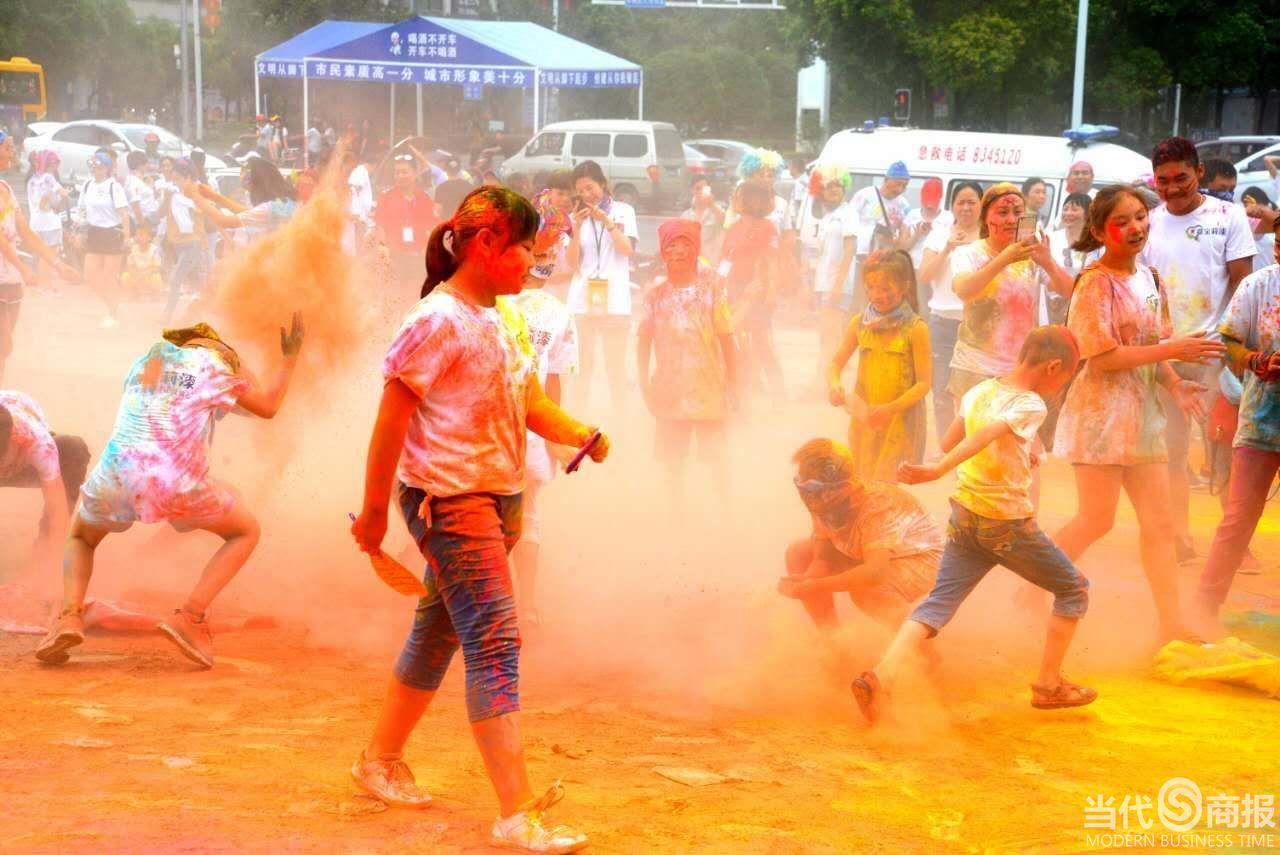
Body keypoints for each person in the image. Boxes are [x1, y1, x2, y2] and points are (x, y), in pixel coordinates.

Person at [348, 186, 605, 853]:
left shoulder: (505, 316)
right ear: (488, 245)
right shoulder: (438, 319)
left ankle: (378, 760)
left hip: (497, 498)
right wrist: (375, 518)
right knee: (495, 636)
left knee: (439, 630)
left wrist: (579, 432)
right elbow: (389, 425)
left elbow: (527, 399)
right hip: (451, 502)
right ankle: (516, 811)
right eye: (525, 247)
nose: (532, 261)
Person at [35, 316, 306, 668]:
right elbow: (267, 407)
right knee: (245, 531)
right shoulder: (215, 369)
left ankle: (69, 615)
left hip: (117, 475)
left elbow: (166, 401)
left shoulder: (147, 362)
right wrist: (289, 359)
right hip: (177, 484)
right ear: (223, 356)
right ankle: (190, 617)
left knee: (81, 539)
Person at [853, 327, 1094, 722]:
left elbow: (954, 440)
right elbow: (983, 437)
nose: (1059, 388)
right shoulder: (1031, 403)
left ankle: (882, 677)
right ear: (1053, 367)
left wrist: (931, 462)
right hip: (1005, 523)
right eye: (1064, 379)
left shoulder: (980, 391)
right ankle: (1049, 684)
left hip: (964, 516)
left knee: (937, 604)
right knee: (1074, 588)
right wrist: (934, 471)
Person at [1051, 186, 1223, 644]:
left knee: (1160, 525)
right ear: (1098, 230)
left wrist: (1172, 380)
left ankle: (1170, 621)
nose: (1136, 228)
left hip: (1143, 419)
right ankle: (1034, 583)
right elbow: (1102, 358)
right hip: (1101, 417)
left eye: (1141, 217)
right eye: (1122, 221)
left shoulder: (1150, 278)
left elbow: (1151, 348)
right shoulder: (1093, 282)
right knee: (1096, 520)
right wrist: (1171, 351)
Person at [1140, 137, 1255, 562]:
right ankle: (1180, 539)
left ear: (1199, 172)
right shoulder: (1147, 222)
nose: (1172, 188)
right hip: (1166, 356)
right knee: (1169, 451)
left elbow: (1242, 286)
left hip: (1213, 356)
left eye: (1181, 178)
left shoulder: (1229, 217)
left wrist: (1231, 351)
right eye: (1163, 181)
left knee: (1224, 448)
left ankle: (1235, 549)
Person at [1194, 219, 1280, 637]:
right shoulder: (1258, 286)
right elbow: (1227, 342)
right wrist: (1255, 362)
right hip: (1261, 422)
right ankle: (1202, 610)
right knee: (1239, 518)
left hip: (1262, 419)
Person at [778, 438, 941, 632]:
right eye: (802, 485)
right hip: (867, 551)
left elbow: (875, 572)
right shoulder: (821, 497)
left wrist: (817, 586)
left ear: (842, 486)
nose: (807, 495)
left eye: (813, 488)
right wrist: (808, 578)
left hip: (917, 558)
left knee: (866, 590)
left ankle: (916, 650)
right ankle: (833, 641)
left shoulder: (875, 505)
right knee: (799, 552)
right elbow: (823, 558)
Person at [636, 219, 736, 504]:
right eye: (671, 244)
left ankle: (726, 510)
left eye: (686, 244)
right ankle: (677, 514)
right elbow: (644, 339)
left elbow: (728, 339)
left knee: (717, 458)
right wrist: (643, 381)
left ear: (696, 250)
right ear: (662, 251)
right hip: (670, 389)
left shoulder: (712, 288)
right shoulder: (655, 294)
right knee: (673, 460)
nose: (678, 251)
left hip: (709, 389)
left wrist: (734, 383)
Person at [508, 227, 579, 626]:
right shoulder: (556, 312)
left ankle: (512, 605)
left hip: (502, 425)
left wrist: (556, 435)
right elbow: (554, 379)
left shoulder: (491, 298)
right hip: (520, 426)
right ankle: (525, 607)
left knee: (493, 513)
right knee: (525, 515)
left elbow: (552, 379)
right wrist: (554, 434)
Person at [947, 183, 1074, 405]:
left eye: (1018, 213)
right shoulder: (968, 253)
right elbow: (964, 289)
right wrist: (1005, 258)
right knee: (972, 436)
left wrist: (1048, 262)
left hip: (1021, 369)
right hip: (974, 367)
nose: (1011, 220)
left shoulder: (1031, 256)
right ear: (985, 217)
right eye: (1002, 213)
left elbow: (1071, 292)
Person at [827, 250, 930, 481]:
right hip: (864, 419)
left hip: (899, 423)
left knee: (886, 486)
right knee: (860, 479)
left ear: (904, 286)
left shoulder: (915, 328)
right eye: (871, 287)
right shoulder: (859, 324)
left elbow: (924, 384)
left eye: (885, 288)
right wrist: (835, 386)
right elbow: (835, 363)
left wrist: (890, 409)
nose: (877, 295)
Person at [565, 160, 638, 409]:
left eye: (590, 187)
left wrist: (607, 222)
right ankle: (578, 423)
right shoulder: (574, 217)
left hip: (615, 300)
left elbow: (627, 250)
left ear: (603, 184)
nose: (586, 194)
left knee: (615, 367)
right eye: (580, 191)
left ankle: (620, 423)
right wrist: (576, 226)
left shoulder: (623, 211)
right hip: (582, 300)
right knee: (581, 367)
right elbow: (573, 262)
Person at [0, 391, 91, 583]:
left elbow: (57, 509)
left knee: (74, 448)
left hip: (24, 466)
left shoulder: (36, 442)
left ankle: (43, 551)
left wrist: (50, 568)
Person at [917, 180, 982, 441]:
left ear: (981, 205)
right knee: (942, 390)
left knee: (975, 392)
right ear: (952, 206)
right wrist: (948, 248)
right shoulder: (939, 234)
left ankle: (971, 448)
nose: (966, 208)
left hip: (978, 324)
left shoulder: (990, 236)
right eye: (961, 202)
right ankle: (946, 446)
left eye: (972, 202)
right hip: (943, 322)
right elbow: (924, 275)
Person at [719, 182, 782, 404]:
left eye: (739, 196)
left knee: (762, 341)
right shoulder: (734, 227)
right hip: (734, 289)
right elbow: (725, 259)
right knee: (739, 339)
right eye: (737, 196)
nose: (735, 200)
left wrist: (771, 293)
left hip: (757, 289)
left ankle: (777, 389)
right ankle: (746, 388)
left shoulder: (768, 227)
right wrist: (719, 284)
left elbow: (771, 261)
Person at [807, 164, 857, 386]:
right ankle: (825, 380)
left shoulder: (849, 213)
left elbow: (850, 250)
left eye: (838, 185)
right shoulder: (828, 216)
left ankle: (825, 383)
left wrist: (838, 285)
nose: (834, 190)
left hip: (837, 285)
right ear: (821, 191)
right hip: (823, 283)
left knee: (831, 335)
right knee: (825, 335)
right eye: (828, 187)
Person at [186, 155, 298, 247]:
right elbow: (249, 212)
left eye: (244, 173)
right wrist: (216, 197)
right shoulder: (282, 203)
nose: (242, 177)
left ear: (254, 180)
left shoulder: (268, 208)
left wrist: (195, 196)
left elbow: (225, 221)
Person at [77, 150, 132, 329]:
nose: (94, 169)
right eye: (92, 165)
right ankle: (113, 306)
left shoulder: (113, 187)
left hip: (112, 234)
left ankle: (113, 313)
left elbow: (124, 213)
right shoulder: (87, 185)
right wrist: (79, 231)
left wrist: (127, 237)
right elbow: (82, 210)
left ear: (107, 169)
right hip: (94, 234)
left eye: (98, 166)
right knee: (90, 276)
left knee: (108, 278)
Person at [374, 153, 441, 295]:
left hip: (418, 257)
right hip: (395, 257)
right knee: (396, 295)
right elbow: (380, 225)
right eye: (397, 173)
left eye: (404, 172)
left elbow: (432, 226)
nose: (400, 176)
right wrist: (382, 248)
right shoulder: (386, 198)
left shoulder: (424, 198)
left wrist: (428, 249)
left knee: (416, 294)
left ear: (415, 173)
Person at [161, 160, 207, 323]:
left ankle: (168, 314)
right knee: (192, 281)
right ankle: (198, 314)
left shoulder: (196, 194)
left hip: (193, 243)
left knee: (176, 277)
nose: (174, 180)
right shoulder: (172, 194)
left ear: (187, 177)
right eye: (174, 176)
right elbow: (161, 213)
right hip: (176, 244)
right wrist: (166, 198)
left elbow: (203, 215)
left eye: (178, 177)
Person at [1045, 192, 1097, 324]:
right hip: (1051, 306)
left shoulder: (1094, 244)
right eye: (1065, 208)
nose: (1068, 213)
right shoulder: (1050, 238)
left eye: (1074, 209)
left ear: (1087, 213)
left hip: (1080, 308)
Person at [850, 161, 913, 261]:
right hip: (858, 254)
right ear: (886, 179)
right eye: (898, 184)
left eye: (904, 186)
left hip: (883, 259)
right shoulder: (864, 196)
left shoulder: (904, 206)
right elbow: (849, 223)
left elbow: (905, 233)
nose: (900, 189)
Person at [25, 150, 70, 289]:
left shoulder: (31, 180)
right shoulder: (49, 178)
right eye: (55, 163)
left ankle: (41, 285)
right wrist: (65, 193)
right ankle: (45, 286)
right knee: (49, 257)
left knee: (39, 256)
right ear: (50, 163)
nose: (57, 166)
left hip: (35, 224)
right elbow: (63, 196)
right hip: (50, 224)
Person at [680, 177, 726, 259]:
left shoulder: (717, 210)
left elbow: (725, 223)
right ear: (692, 190)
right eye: (697, 189)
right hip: (692, 260)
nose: (700, 191)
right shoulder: (685, 216)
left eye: (704, 189)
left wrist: (711, 205)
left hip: (712, 262)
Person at [121, 224, 163, 297]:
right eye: (138, 235)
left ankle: (154, 294)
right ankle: (133, 293)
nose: (139, 237)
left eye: (141, 235)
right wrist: (137, 275)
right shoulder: (133, 249)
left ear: (149, 238)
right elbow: (129, 267)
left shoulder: (155, 250)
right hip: (136, 275)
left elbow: (156, 268)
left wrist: (143, 275)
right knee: (125, 276)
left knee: (156, 277)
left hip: (148, 276)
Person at [1242, 187, 1277, 274]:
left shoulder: (1273, 216)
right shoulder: (1250, 221)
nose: (1248, 209)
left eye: (1247, 204)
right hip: (1261, 276)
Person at [124, 150, 158, 229]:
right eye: (147, 164)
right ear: (140, 165)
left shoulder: (140, 180)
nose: (148, 166)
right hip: (140, 223)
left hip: (150, 220)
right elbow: (135, 205)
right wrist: (143, 225)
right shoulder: (132, 181)